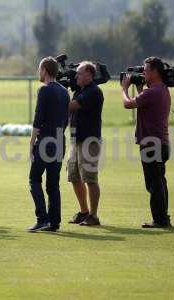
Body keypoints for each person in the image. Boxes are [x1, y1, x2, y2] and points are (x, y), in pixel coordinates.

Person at [121, 57, 171, 228]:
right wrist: (139, 88)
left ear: (155, 72)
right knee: (159, 180)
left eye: (146, 70)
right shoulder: (162, 89)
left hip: (151, 143)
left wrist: (124, 89)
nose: (143, 72)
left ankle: (160, 219)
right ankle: (163, 216)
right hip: (161, 142)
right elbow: (145, 102)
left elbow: (128, 104)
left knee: (153, 183)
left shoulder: (152, 92)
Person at [27, 57, 70, 232]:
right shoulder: (64, 91)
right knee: (53, 184)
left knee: (34, 179)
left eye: (40, 69)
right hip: (60, 139)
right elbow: (67, 118)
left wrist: (31, 144)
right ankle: (54, 222)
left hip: (46, 140)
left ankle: (42, 218)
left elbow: (38, 119)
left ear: (45, 70)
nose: (39, 72)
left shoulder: (44, 90)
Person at [67, 61, 104, 226]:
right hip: (76, 139)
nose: (76, 76)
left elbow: (71, 106)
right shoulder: (80, 91)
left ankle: (94, 216)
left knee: (90, 178)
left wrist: (56, 96)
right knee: (74, 176)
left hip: (89, 140)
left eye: (80, 73)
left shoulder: (93, 92)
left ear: (90, 74)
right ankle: (84, 212)